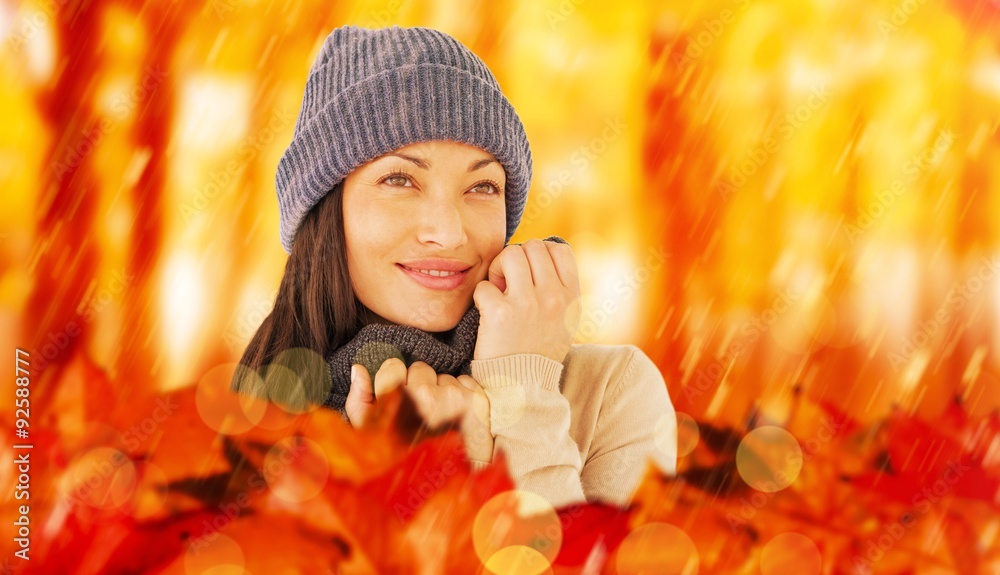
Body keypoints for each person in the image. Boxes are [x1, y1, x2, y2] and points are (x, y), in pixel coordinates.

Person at [231, 25, 676, 508]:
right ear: (324, 210)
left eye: (482, 187)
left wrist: (520, 397)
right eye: (400, 179)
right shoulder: (242, 434)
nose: (448, 232)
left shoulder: (610, 393)